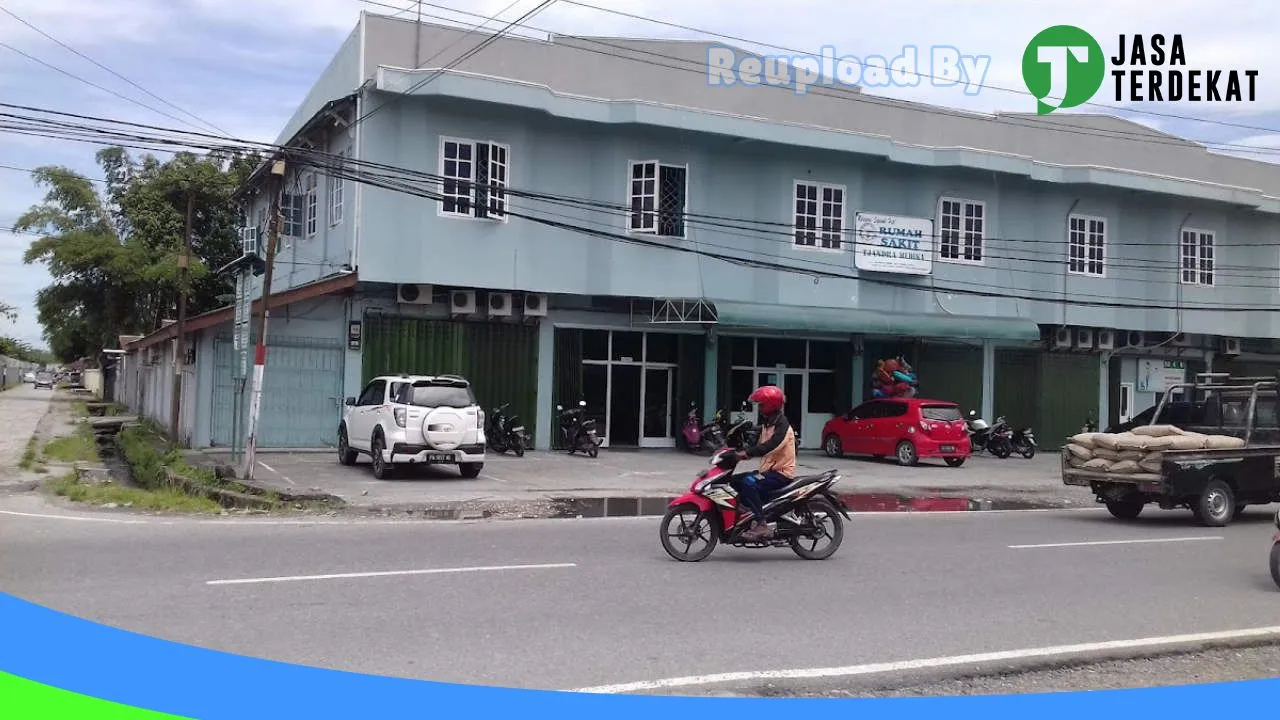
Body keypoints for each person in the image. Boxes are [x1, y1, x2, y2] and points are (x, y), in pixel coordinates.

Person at [733, 384, 797, 541]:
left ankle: (762, 524)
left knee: (749, 482)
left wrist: (748, 453)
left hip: (780, 474)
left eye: (762, 405)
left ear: (771, 405)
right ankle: (748, 513)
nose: (760, 408)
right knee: (734, 480)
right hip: (768, 471)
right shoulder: (768, 423)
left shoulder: (783, 426)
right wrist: (733, 452)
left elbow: (770, 445)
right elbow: (756, 444)